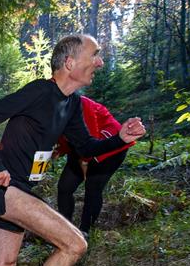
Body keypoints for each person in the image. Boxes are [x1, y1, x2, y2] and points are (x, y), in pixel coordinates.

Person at [0, 34, 146, 266]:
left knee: (5, 263)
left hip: (21, 190)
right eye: (94, 55)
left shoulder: (72, 103)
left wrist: (120, 139)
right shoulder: (39, 91)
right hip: (7, 189)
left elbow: (86, 147)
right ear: (70, 63)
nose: (100, 62)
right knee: (75, 244)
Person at [56, 95, 135, 237]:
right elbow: (63, 135)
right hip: (82, 148)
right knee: (64, 187)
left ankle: (84, 231)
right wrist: (59, 150)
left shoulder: (80, 103)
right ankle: (65, 229)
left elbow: (89, 139)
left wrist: (83, 160)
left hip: (110, 147)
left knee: (93, 188)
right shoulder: (49, 108)